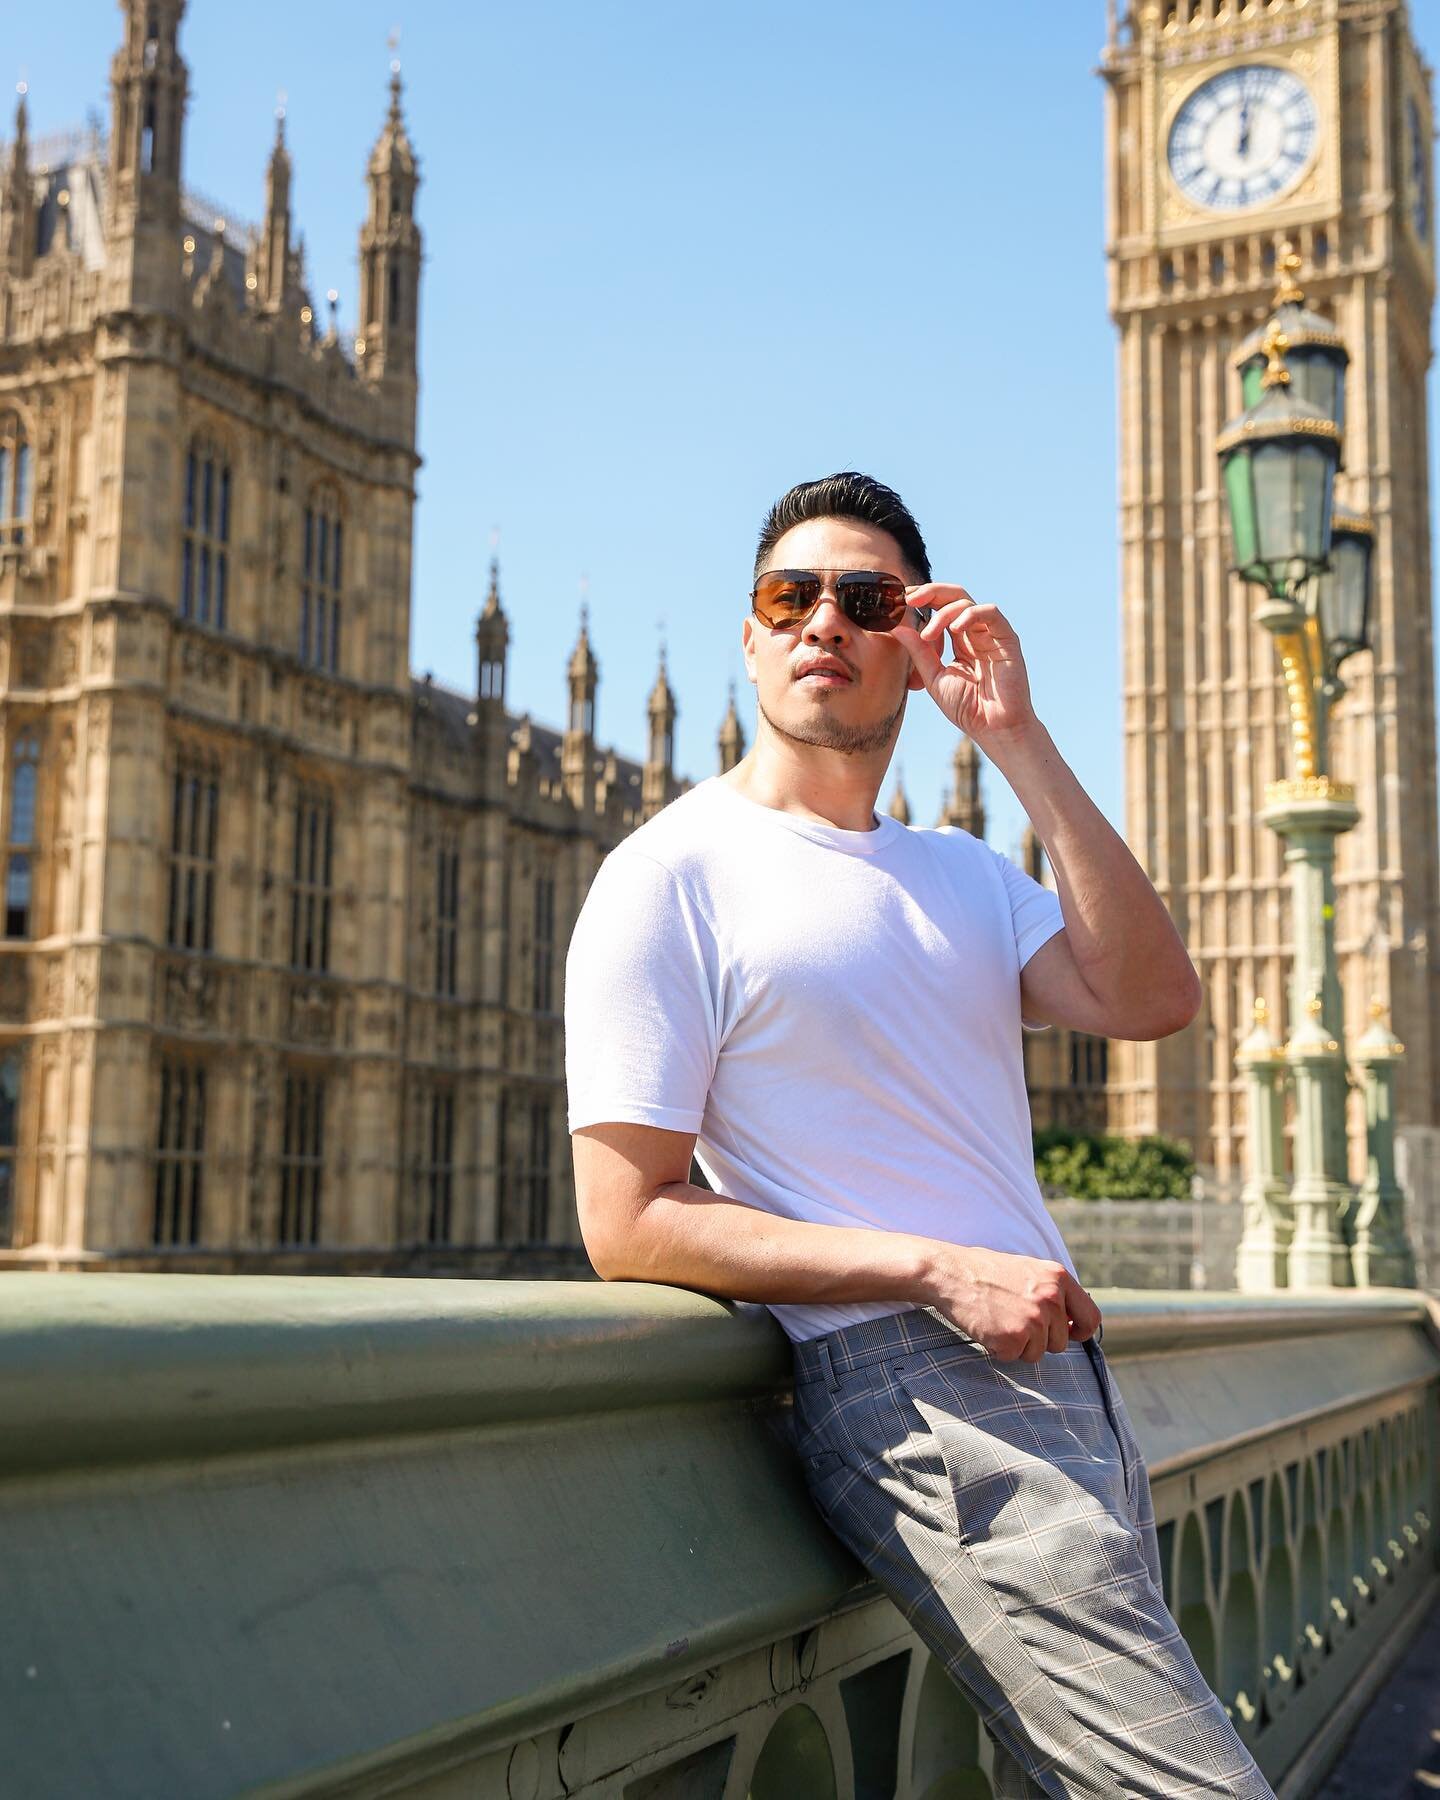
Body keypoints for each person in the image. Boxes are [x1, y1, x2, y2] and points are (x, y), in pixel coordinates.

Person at [564, 471, 1274, 1798]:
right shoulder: (668, 875)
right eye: (790, 596)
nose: (822, 620)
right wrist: (938, 1269)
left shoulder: (957, 869)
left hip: (1067, 1378)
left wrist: (1017, 739)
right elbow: (628, 1220)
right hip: (916, 1388)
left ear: (918, 633)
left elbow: (1153, 997)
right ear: (749, 634)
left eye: (865, 597)